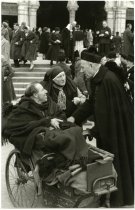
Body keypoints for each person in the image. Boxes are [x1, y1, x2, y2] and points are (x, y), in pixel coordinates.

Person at [67, 53, 134, 207]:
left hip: (114, 130)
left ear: (91, 65)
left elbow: (105, 113)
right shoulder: (100, 78)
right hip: (110, 129)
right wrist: (74, 118)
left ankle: (117, 198)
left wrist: (93, 131)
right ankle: (110, 194)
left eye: (83, 67)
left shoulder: (107, 80)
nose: (82, 71)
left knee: (114, 160)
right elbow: (92, 103)